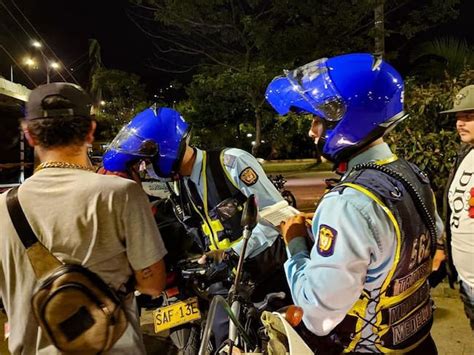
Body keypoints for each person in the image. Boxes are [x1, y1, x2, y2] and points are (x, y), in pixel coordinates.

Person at [265, 53, 444, 353]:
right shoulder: (412, 173)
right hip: (420, 342)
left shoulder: (347, 204)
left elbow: (318, 315)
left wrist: (294, 243)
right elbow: (427, 242)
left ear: (348, 120)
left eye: (318, 120)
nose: (311, 131)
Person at [0, 83, 167, 355]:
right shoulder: (121, 194)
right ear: (90, 131)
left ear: (29, 135)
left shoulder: (2, 209)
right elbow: (153, 285)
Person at [101, 106, 290, 345]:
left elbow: (277, 216)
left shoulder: (230, 162)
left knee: (279, 341)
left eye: (145, 162)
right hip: (225, 283)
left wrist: (232, 252)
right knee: (222, 343)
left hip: (265, 274)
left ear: (165, 149)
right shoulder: (179, 186)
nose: (143, 169)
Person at [438, 84, 474, 330]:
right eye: (458, 117)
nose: (460, 123)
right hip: (466, 280)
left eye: (469, 117)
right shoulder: (465, 155)